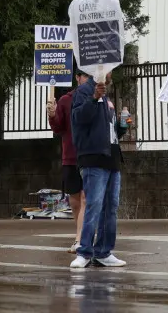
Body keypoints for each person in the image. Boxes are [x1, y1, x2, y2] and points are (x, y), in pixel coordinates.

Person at [69, 71, 129, 269]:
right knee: (94, 205)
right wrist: (94, 98)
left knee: (110, 207)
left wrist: (122, 125)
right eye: (109, 69)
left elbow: (108, 129)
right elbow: (78, 118)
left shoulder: (107, 97)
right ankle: (84, 251)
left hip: (111, 157)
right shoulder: (84, 92)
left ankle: (103, 251)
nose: (111, 72)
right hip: (93, 157)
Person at [47, 71, 90, 253]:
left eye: (90, 76)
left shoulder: (96, 99)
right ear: (77, 78)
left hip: (89, 156)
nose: (87, 79)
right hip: (70, 156)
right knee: (74, 202)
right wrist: (52, 114)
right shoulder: (65, 100)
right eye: (84, 76)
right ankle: (82, 232)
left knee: (85, 198)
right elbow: (58, 127)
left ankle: (81, 238)